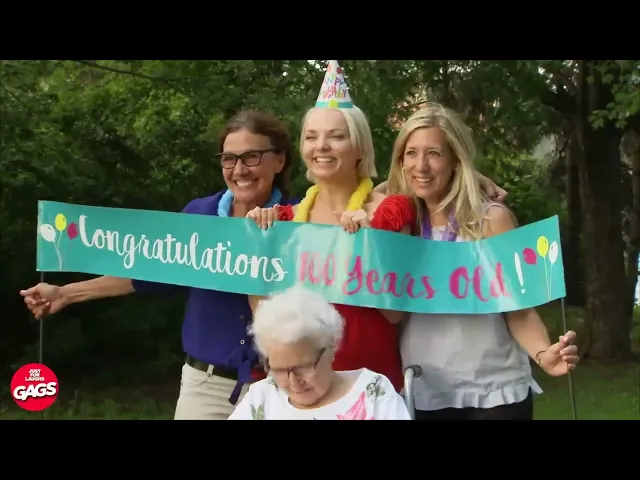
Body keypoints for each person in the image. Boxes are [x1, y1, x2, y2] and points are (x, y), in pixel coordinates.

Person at [19, 109, 299, 420]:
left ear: (279, 160)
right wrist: (65, 293)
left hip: (284, 387)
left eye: (251, 157)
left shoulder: (302, 219)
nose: (239, 169)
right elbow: (149, 273)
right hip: (205, 388)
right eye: (229, 159)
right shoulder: (200, 215)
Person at [381, 103, 580, 420]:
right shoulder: (400, 225)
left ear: (455, 160)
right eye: (411, 153)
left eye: (434, 153)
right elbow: (367, 189)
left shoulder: (492, 220)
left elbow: (520, 310)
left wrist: (543, 354)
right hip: (425, 393)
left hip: (495, 392)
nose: (421, 165)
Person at [247, 61, 417, 393]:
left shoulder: (388, 213)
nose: (321, 146)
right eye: (311, 137)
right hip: (300, 390)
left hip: (368, 387)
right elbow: (265, 319)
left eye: (336, 136)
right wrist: (256, 246)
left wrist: (367, 244)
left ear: (359, 148)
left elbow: (396, 315)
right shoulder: (284, 222)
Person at [228, 286, 411, 420]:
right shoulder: (261, 396)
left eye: (302, 367)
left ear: (330, 349)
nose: (294, 382)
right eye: (280, 370)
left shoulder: (374, 391)